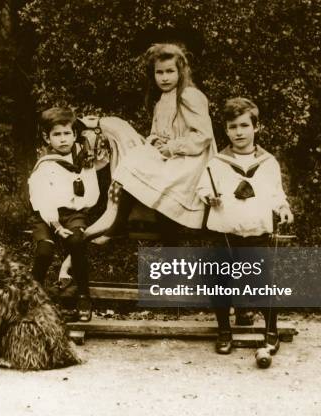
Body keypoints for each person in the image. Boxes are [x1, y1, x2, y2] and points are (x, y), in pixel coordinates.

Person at [197, 97, 294, 355]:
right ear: (226, 130)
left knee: (263, 282)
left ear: (256, 127)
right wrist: (209, 196)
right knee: (219, 281)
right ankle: (224, 331)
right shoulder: (217, 162)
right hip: (226, 234)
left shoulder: (268, 163)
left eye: (243, 125)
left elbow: (276, 195)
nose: (238, 132)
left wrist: (283, 209)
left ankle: (271, 332)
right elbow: (203, 187)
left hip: (256, 234)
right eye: (232, 127)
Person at [107, 43, 217, 240]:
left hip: (191, 158)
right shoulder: (162, 100)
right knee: (135, 160)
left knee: (163, 180)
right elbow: (157, 132)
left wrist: (173, 147)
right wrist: (155, 141)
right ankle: (120, 222)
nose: (165, 77)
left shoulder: (189, 95)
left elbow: (203, 135)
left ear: (180, 71)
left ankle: (168, 237)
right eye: (160, 72)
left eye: (170, 71)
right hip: (169, 155)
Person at [28, 107, 100, 321]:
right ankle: (30, 299)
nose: (62, 139)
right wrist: (57, 228)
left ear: (75, 134)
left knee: (77, 242)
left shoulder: (84, 160)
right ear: (46, 137)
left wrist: (76, 211)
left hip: (73, 213)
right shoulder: (44, 164)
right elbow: (40, 198)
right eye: (56, 134)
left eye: (66, 133)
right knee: (44, 252)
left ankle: (83, 296)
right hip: (47, 215)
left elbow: (92, 192)